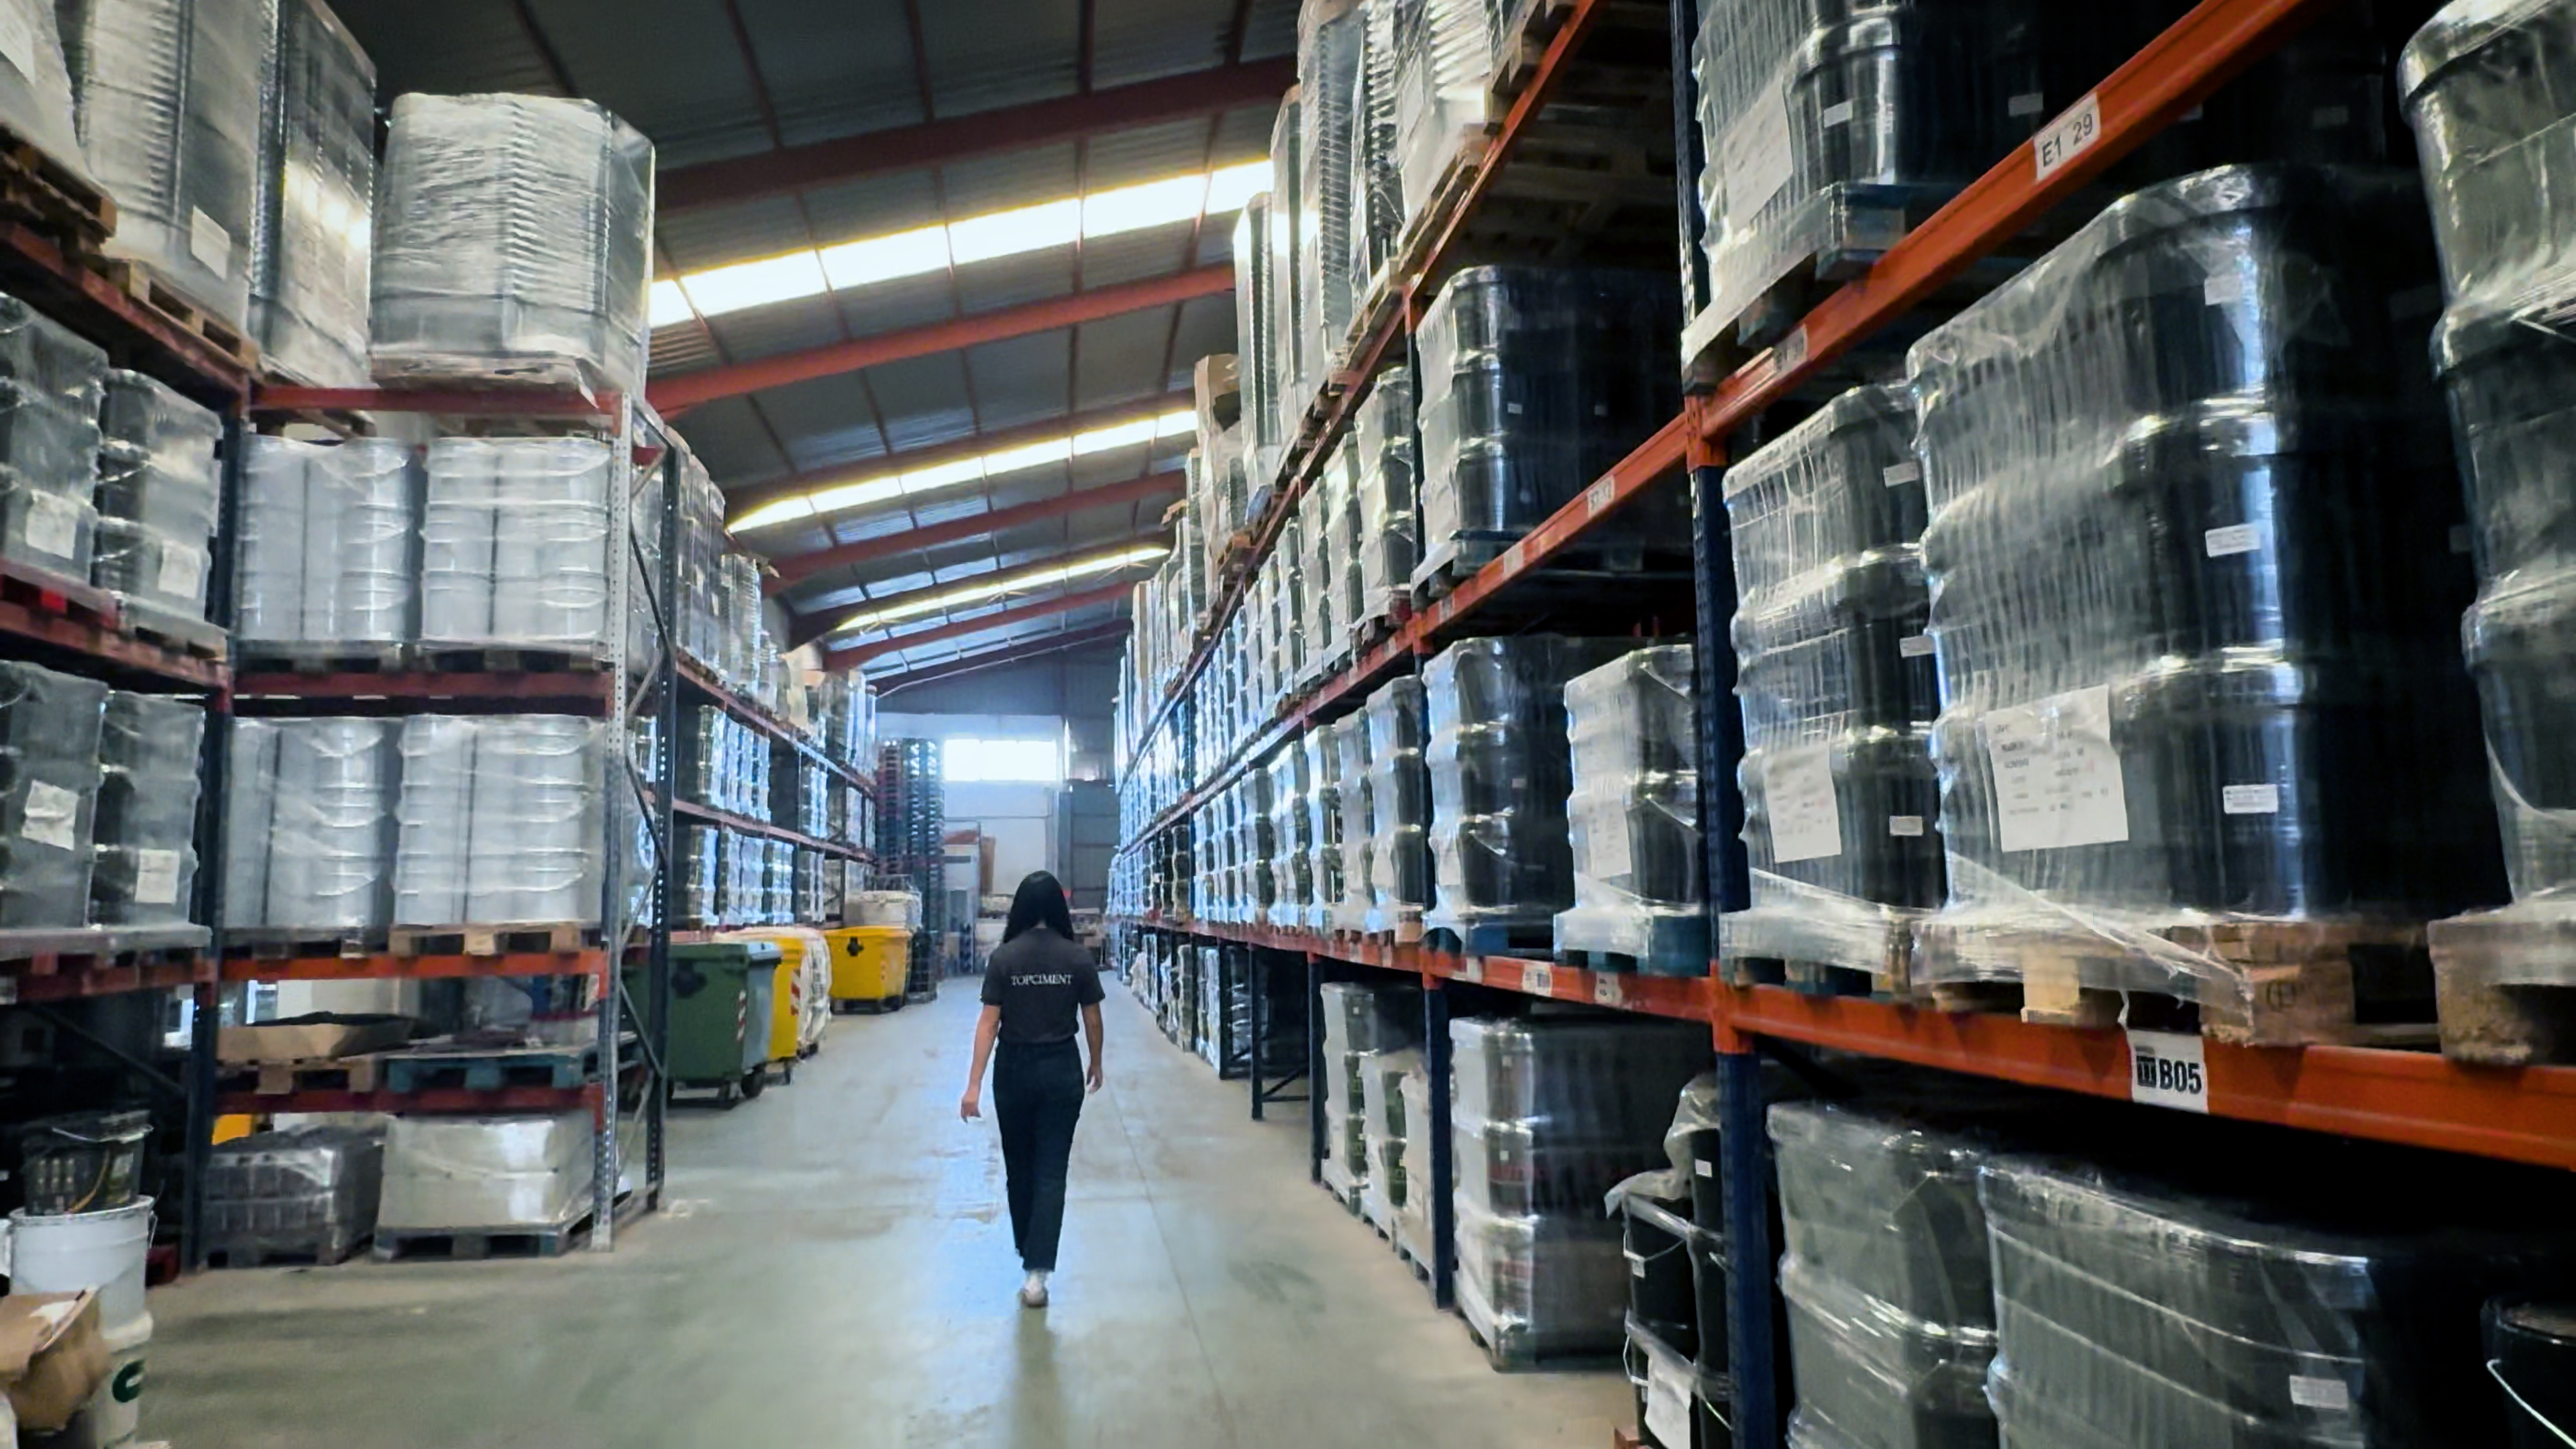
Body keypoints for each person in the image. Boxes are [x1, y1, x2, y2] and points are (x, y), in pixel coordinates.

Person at [959, 870, 1104, 1308]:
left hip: (1014, 1072)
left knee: (1019, 1169)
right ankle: (1037, 1273)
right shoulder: (1076, 958)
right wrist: (1096, 1061)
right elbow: (1092, 1018)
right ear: (1058, 908)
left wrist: (973, 1086)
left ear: (1020, 908)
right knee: (1051, 1171)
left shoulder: (1004, 958)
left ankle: (1029, 1250)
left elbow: (989, 1023)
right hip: (1061, 1070)